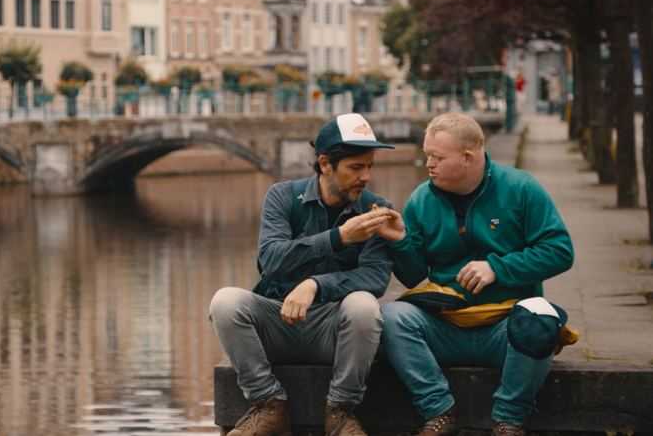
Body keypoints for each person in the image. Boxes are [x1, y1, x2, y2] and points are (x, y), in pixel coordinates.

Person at [371, 112, 574, 436]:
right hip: (445, 325)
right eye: (427, 156)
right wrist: (400, 242)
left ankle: (508, 421)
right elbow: (413, 277)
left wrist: (498, 268)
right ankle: (438, 412)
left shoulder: (521, 189)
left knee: (541, 316)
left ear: (468, 157)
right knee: (392, 316)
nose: (428, 164)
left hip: (506, 327)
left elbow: (561, 251)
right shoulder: (421, 200)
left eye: (437, 157)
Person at [209, 113, 398, 436]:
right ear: (325, 164)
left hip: (335, 333)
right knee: (225, 302)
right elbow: (270, 259)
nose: (366, 176)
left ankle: (339, 411)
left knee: (364, 306)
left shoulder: (375, 208)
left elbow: (375, 278)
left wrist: (315, 284)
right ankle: (268, 403)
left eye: (369, 166)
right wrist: (339, 238)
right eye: (356, 167)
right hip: (278, 322)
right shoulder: (282, 197)